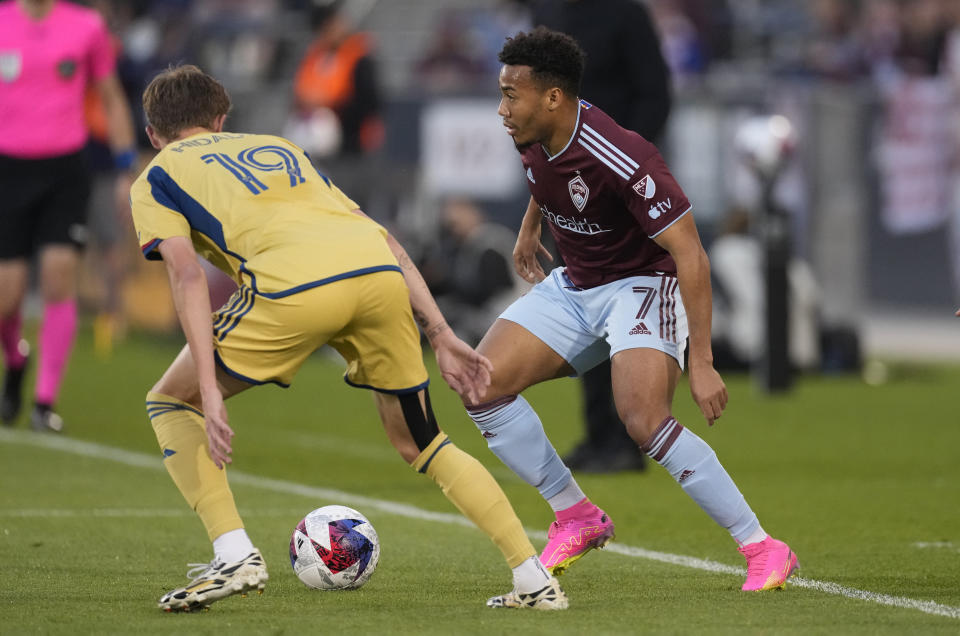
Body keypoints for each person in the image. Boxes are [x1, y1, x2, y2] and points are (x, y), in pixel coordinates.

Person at [130, 64, 566, 612]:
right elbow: (379, 233)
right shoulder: (277, 148)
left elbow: (188, 276)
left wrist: (208, 391)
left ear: (152, 134)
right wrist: (441, 331)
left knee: (171, 399)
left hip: (294, 286)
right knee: (425, 442)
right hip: (377, 276)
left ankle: (234, 552)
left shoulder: (157, 174)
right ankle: (533, 578)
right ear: (220, 119)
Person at [462, 27, 799, 591]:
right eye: (500, 94)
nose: (501, 109)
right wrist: (529, 229)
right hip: (578, 283)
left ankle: (763, 546)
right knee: (480, 384)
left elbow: (690, 252)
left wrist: (702, 359)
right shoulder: (531, 132)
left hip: (641, 285)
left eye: (510, 96)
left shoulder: (623, 154)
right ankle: (576, 516)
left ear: (552, 97)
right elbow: (544, 178)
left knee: (643, 420)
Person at [529, 0, 673, 473]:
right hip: (566, 183)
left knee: (626, 308)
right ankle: (599, 435)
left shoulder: (625, 13)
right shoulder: (548, 9)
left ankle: (631, 436)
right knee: (585, 305)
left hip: (621, 185)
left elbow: (655, 93)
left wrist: (623, 164)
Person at [0, 0, 138, 431]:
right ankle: (17, 358)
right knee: (7, 293)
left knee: (60, 276)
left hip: (65, 170)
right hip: (8, 170)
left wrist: (125, 167)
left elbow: (112, 99)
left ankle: (44, 403)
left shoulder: (86, 26)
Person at [419, 197, 526, 345]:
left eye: (456, 223)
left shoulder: (490, 240)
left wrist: (449, 285)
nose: (454, 229)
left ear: (474, 215)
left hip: (512, 310)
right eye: (450, 225)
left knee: (455, 319)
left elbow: (494, 289)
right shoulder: (465, 244)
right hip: (499, 311)